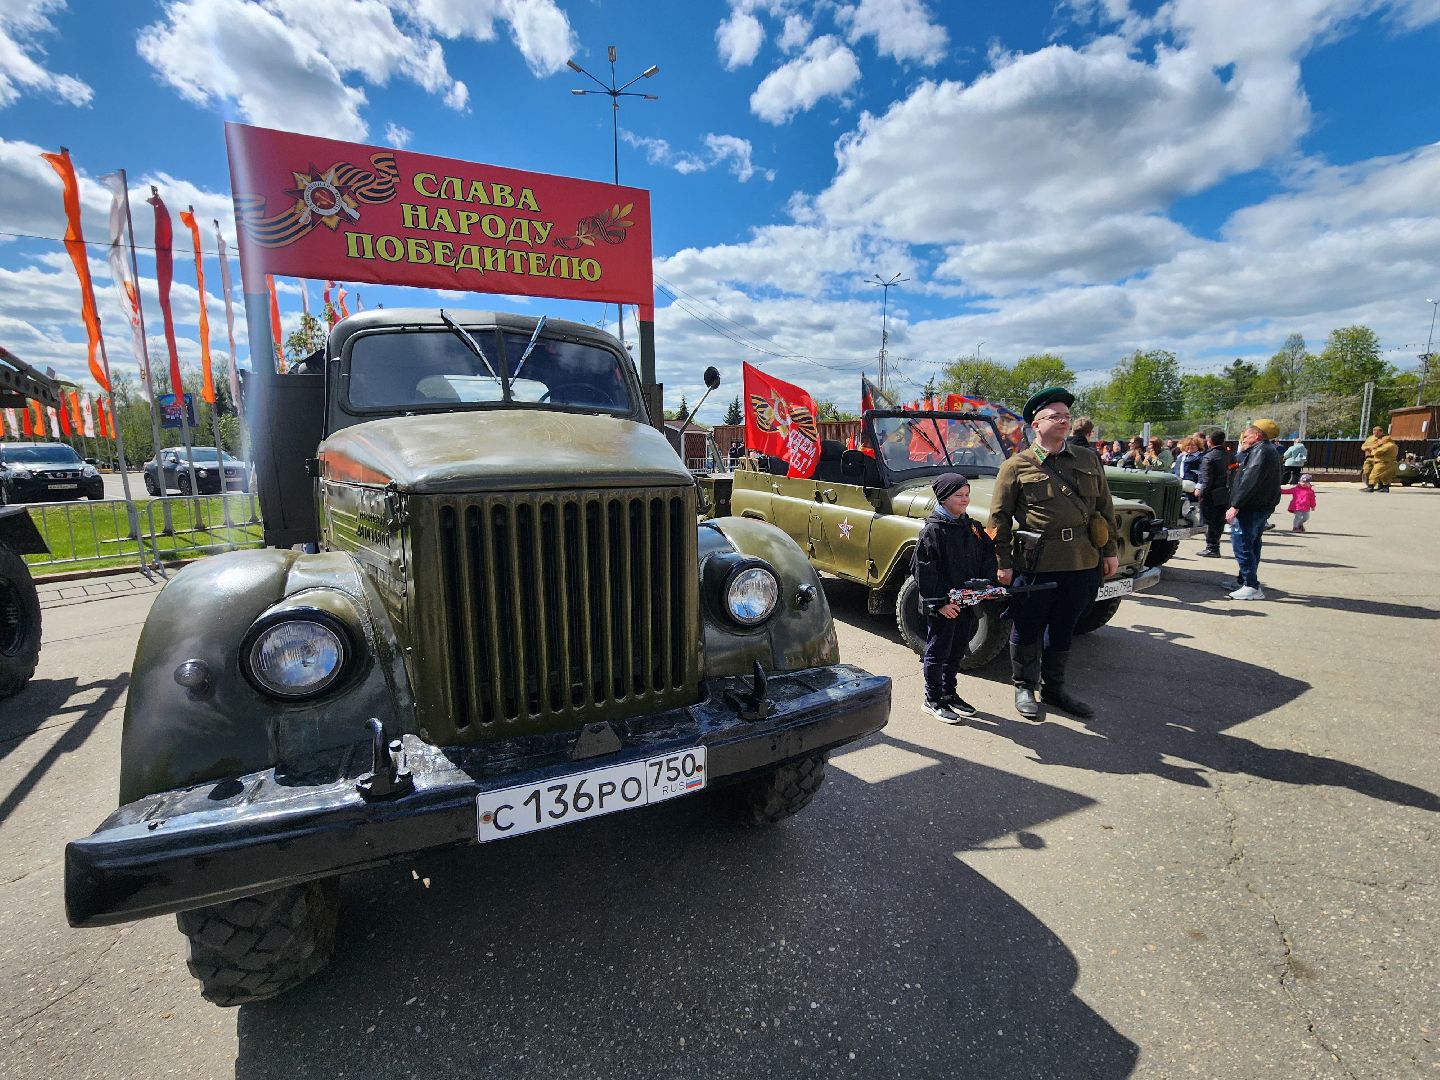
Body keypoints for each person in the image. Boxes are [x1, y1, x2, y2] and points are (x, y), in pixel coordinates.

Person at [990, 387, 1119, 720]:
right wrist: (1003, 563)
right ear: (1036, 423)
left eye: (1067, 416)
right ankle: (1023, 687)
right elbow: (999, 520)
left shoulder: (1088, 460)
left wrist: (1110, 551)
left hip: (1082, 561)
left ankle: (1055, 689)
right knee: (1028, 626)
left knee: (1063, 627)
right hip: (1037, 563)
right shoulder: (1016, 466)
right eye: (1056, 416)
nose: (1064, 421)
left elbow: (1105, 508)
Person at [913, 473, 997, 724]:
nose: (965, 500)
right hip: (943, 605)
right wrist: (939, 603)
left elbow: (986, 555)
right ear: (944, 498)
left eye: (967, 495)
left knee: (957, 650)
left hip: (965, 602)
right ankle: (933, 699)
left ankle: (949, 693)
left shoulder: (970, 526)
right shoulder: (933, 531)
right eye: (959, 496)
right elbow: (924, 571)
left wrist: (986, 583)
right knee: (938, 652)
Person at [1225, 418, 1283, 600]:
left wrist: (1236, 505)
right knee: (1252, 543)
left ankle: (1251, 585)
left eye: (1247, 435)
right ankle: (1245, 580)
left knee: (1241, 543)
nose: (1244, 438)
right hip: (1260, 506)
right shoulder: (1266, 450)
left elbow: (1250, 479)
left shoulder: (1261, 451)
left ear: (1257, 435)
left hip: (1251, 506)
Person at [1194, 430, 1232, 556]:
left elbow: (1206, 479)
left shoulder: (1209, 457)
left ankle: (1212, 547)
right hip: (1225, 492)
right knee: (1219, 521)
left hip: (1211, 494)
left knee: (1209, 521)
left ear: (1209, 442)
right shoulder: (1229, 455)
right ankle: (1215, 545)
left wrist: (1202, 493)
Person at [1362, 428, 1398, 492]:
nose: (1381, 441)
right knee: (1386, 476)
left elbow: (1377, 452)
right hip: (1390, 462)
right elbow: (1363, 447)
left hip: (1382, 462)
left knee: (1374, 474)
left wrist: (1373, 450)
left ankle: (1370, 487)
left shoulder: (1387, 446)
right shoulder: (1394, 446)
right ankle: (1385, 488)